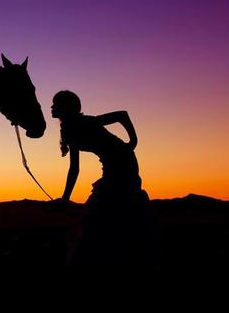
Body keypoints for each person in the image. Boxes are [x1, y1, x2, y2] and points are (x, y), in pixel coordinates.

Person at [49, 90, 157, 268]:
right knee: (108, 208)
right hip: (114, 164)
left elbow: (122, 115)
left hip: (123, 162)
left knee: (103, 206)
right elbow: (74, 168)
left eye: (56, 104)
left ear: (66, 108)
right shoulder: (70, 128)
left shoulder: (85, 122)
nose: (52, 107)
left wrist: (133, 142)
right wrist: (65, 198)